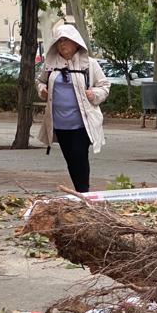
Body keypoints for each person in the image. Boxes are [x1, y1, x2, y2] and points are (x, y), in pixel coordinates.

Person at [37, 24, 110, 193]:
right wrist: (42, 90)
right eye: (60, 41)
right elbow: (40, 81)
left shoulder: (89, 64)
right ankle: (79, 192)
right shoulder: (50, 64)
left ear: (76, 43)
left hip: (81, 123)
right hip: (60, 124)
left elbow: (104, 85)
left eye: (67, 41)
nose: (63, 45)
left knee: (79, 155)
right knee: (70, 159)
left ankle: (84, 192)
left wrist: (94, 94)